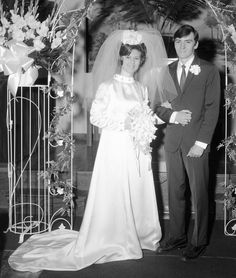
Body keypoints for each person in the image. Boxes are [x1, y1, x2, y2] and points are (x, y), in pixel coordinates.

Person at [8, 29, 177, 272]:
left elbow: (146, 117)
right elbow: (97, 117)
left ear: (142, 61)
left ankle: (142, 234)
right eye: (129, 57)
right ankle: (115, 237)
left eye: (137, 58)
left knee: (136, 187)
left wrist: (160, 119)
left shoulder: (141, 88)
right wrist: (125, 124)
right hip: (114, 147)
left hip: (136, 149)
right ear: (120, 58)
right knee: (116, 189)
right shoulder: (108, 86)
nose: (133, 62)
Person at [156, 24, 221, 260]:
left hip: (196, 143)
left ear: (195, 44)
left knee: (200, 192)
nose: (182, 46)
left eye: (187, 42)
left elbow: (213, 110)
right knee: (175, 191)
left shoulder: (208, 70)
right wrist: (171, 115)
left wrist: (201, 143)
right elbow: (158, 106)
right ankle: (176, 235)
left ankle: (198, 240)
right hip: (172, 141)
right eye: (178, 42)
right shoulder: (167, 71)